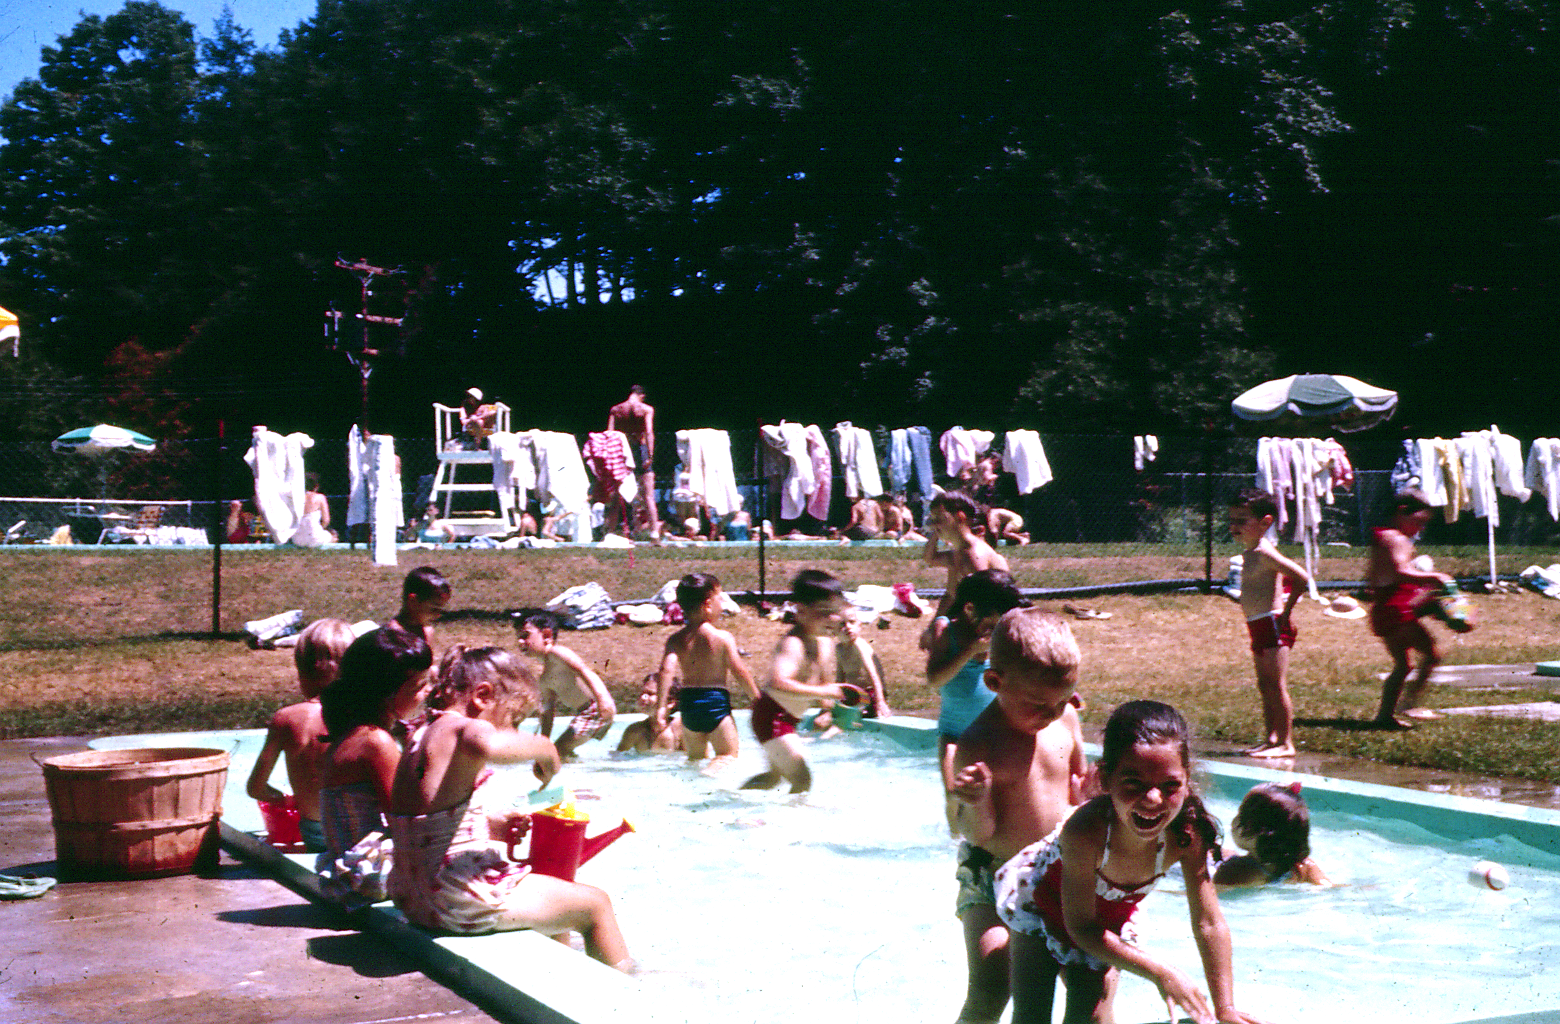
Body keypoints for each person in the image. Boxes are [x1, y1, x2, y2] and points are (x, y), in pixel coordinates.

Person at [994, 700, 1267, 1024]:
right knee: (1031, 1015)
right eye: (1134, 783)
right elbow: (1080, 926)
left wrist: (1226, 1009)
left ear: (1186, 779)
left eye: (1170, 785)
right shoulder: (1086, 832)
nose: (1153, 799)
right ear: (1106, 778)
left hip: (1106, 922)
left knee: (1090, 1018)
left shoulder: (1187, 835)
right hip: (1043, 907)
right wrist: (1161, 971)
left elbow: (1209, 922)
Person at [384, 645, 635, 971]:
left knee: (556, 899)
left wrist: (490, 826)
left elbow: (426, 819)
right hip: (454, 897)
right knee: (596, 905)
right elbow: (487, 744)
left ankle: (561, 970)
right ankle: (631, 983)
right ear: (482, 696)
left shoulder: (421, 735)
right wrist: (545, 747)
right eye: (513, 720)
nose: (514, 731)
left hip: (410, 896)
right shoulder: (464, 727)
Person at [948, 607, 1088, 1024]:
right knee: (993, 984)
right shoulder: (979, 745)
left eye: (1062, 700)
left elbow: (1077, 787)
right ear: (994, 682)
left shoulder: (1065, 720)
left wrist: (1090, 794)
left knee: (1084, 981)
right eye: (1039, 704)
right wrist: (976, 799)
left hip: (1053, 874)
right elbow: (979, 834)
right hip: (990, 872)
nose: (1052, 713)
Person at [316, 628, 435, 901]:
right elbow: (406, 817)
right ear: (385, 696)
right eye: (418, 687)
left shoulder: (353, 734)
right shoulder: (375, 742)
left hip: (348, 872)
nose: (428, 691)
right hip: (368, 874)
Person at [741, 569, 860, 793]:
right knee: (802, 779)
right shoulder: (794, 643)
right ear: (801, 610)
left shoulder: (825, 642)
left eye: (835, 611)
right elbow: (778, 682)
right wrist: (825, 693)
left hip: (788, 718)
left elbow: (825, 685)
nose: (833, 618)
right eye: (824, 612)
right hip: (772, 717)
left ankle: (733, 800)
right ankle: (795, 813)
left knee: (774, 778)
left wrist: (832, 710)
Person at [246, 618, 356, 852]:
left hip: (313, 831)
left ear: (301, 672)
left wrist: (286, 798)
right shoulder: (359, 715)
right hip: (356, 830)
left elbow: (256, 788)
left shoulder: (284, 718)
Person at [928, 570, 1031, 799]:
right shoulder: (946, 629)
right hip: (954, 735)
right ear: (969, 609)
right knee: (955, 797)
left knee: (1000, 796)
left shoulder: (1004, 632)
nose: (997, 629)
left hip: (995, 732)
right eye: (992, 623)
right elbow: (934, 680)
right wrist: (971, 650)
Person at [1228, 489, 1312, 758]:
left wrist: (1286, 612)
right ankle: (1271, 738)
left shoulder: (1265, 552)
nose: (1234, 526)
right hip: (1257, 624)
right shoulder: (1250, 552)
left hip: (1273, 623)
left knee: (1276, 684)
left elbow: (1301, 577)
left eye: (1242, 520)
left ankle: (1286, 743)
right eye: (1232, 520)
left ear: (1265, 522)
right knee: (1264, 685)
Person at [1367, 488, 1459, 728]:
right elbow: (1401, 571)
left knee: (1403, 666)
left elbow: (1377, 576)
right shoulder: (1398, 539)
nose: (1420, 528)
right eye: (1419, 522)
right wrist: (1435, 577)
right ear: (1402, 511)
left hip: (1383, 610)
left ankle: (1384, 716)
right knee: (1432, 654)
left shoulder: (1383, 536)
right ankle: (1409, 704)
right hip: (1397, 611)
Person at [653, 572, 758, 770]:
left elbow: (666, 671)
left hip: (688, 706)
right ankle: (710, 776)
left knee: (695, 759)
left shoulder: (675, 639)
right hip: (714, 703)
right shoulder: (722, 637)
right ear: (708, 605)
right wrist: (757, 699)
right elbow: (739, 671)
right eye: (720, 597)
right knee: (727, 756)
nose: (723, 602)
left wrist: (660, 708)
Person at [514, 609, 616, 759]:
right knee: (558, 753)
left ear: (547, 635)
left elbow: (585, 671)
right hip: (586, 713)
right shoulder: (544, 678)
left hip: (595, 710)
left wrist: (604, 700)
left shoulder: (557, 652)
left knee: (557, 753)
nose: (520, 642)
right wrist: (545, 740)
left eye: (525, 636)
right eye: (518, 637)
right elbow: (547, 711)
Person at [923, 490, 1010, 647]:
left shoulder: (973, 554)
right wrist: (932, 628)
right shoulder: (958, 552)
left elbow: (985, 603)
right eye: (933, 520)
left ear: (960, 517)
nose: (935, 524)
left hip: (992, 633)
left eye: (940, 518)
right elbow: (931, 559)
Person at [1212, 782, 1331, 887]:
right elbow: (1329, 888)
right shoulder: (1304, 867)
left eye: (1240, 815)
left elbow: (1209, 896)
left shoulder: (1235, 870)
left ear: (1251, 829)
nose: (1234, 820)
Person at [607, 385, 659, 535]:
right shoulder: (646, 409)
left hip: (623, 450)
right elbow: (648, 431)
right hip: (640, 449)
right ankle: (654, 533)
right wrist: (650, 455)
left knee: (617, 495)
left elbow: (610, 433)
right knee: (648, 495)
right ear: (642, 396)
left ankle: (610, 532)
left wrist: (610, 455)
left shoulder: (616, 409)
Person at [618, 672, 683, 753]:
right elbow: (617, 757)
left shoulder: (680, 729)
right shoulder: (634, 731)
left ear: (670, 702)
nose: (642, 697)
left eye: (650, 693)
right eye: (642, 693)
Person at [387, 566, 451, 647]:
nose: (438, 615)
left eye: (441, 610)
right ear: (413, 601)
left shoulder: (427, 632)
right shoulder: (391, 635)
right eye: (434, 609)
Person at [292, 472, 338, 547]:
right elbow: (326, 520)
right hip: (315, 537)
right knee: (334, 536)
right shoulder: (320, 497)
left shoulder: (295, 498)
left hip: (297, 539)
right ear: (317, 486)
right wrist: (320, 529)